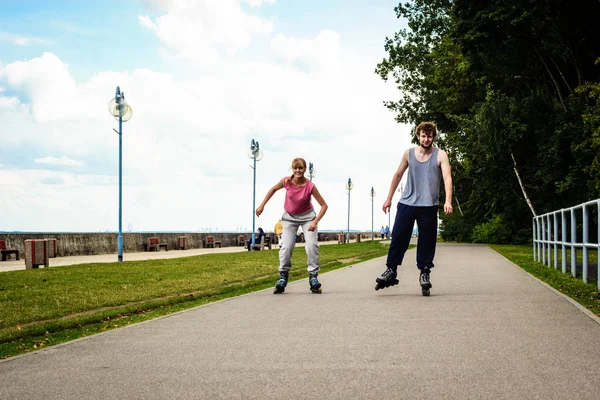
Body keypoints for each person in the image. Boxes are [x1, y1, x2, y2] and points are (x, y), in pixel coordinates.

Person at [375, 121, 453, 296]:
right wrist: (388, 198)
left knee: (427, 240)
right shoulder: (408, 154)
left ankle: (425, 272)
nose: (426, 139)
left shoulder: (441, 155)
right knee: (398, 236)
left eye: (429, 136)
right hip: (407, 203)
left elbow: (447, 178)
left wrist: (448, 201)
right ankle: (391, 270)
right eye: (423, 136)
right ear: (418, 136)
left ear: (433, 137)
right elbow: (398, 175)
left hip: (429, 205)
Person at [256, 157, 328, 294]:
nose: (298, 170)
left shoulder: (310, 186)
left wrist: (314, 222)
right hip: (289, 218)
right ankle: (283, 276)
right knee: (286, 246)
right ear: (292, 169)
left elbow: (324, 206)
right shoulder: (286, 181)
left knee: (312, 245)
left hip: (308, 218)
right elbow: (272, 190)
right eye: (295, 168)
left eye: (300, 168)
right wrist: (262, 205)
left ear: (305, 169)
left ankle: (313, 277)